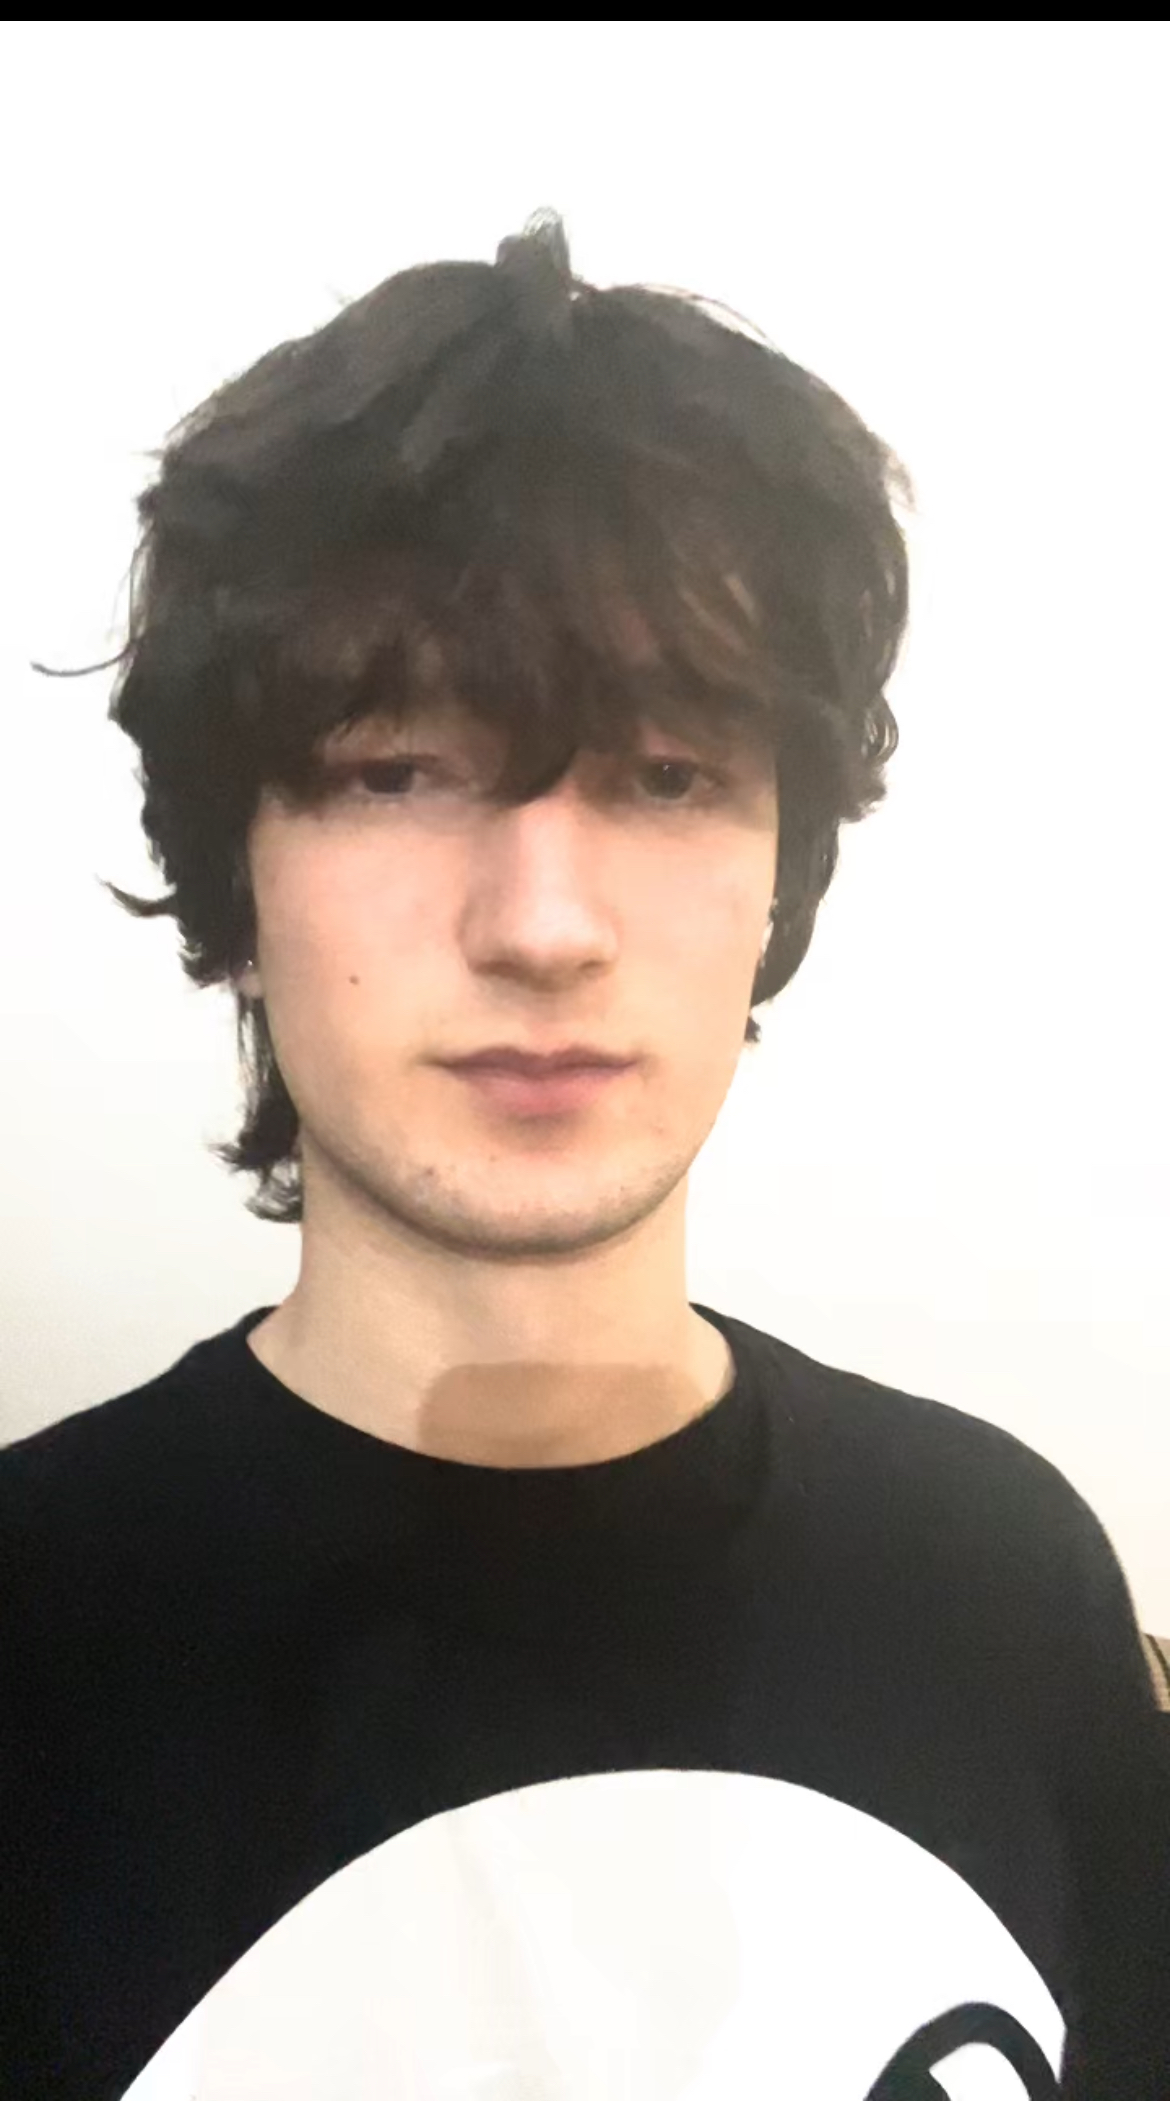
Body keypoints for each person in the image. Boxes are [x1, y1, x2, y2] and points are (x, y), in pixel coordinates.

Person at [3, 211, 1167, 2101]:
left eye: (668, 773)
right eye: (394, 768)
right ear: (237, 874)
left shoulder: (1007, 1583)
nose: (542, 922)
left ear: (779, 868)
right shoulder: (38, 1644)